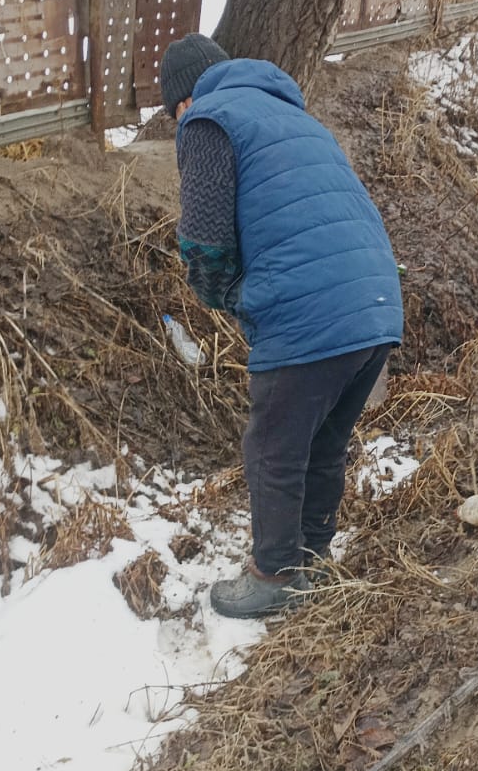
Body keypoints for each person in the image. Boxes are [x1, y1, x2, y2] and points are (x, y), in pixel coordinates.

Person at [159, 33, 403, 620]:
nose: (178, 124)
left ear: (184, 101)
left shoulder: (208, 121)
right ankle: (312, 557)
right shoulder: (293, 116)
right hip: (375, 302)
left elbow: (206, 241)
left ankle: (274, 575)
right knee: (322, 442)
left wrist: (225, 296)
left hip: (308, 309)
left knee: (272, 449)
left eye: (174, 115)